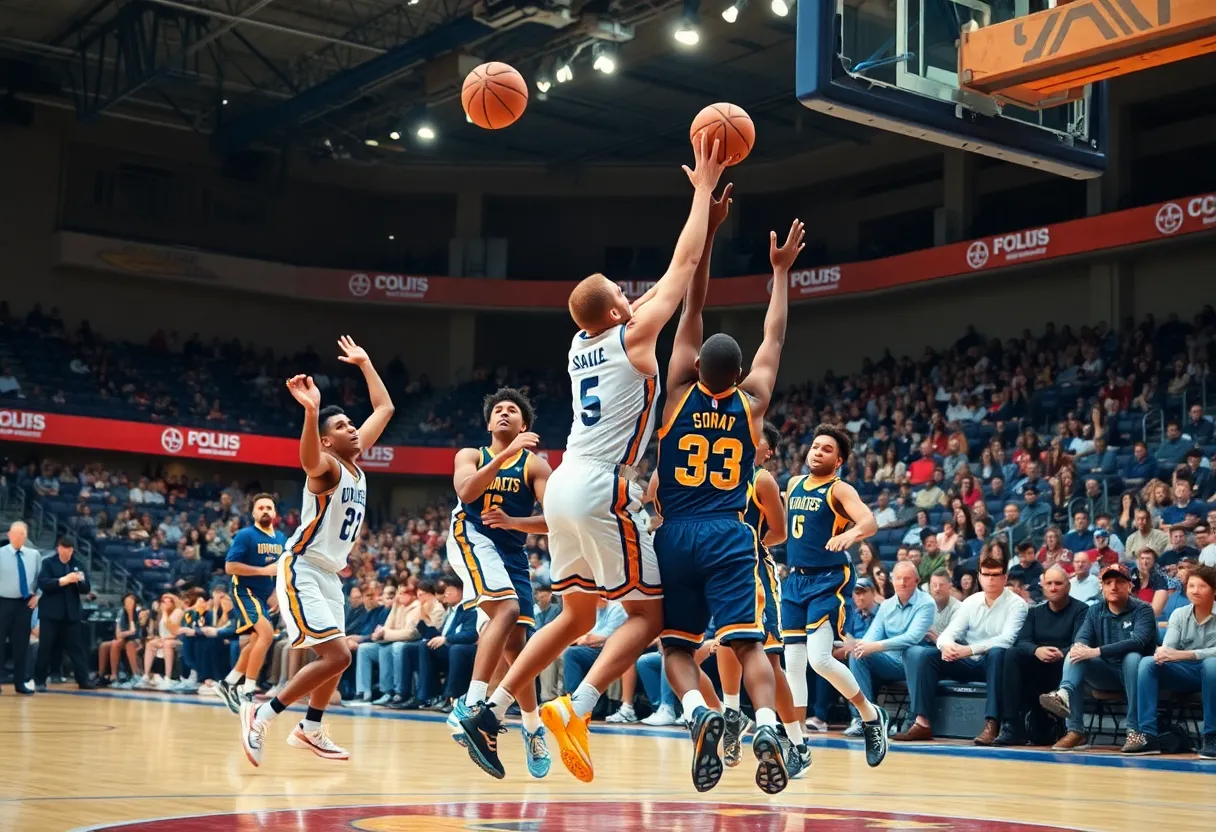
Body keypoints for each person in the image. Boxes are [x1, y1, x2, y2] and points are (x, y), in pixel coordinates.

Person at [459, 135, 727, 782]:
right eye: (623, 293)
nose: (635, 296)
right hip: (603, 485)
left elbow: (681, 274)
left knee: (576, 613)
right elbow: (683, 266)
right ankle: (573, 707)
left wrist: (709, 223)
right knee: (649, 616)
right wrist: (699, 193)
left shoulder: (583, 341)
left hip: (564, 485)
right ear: (615, 310)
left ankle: (490, 709)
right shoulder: (631, 334)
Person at [649, 189, 803, 794]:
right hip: (730, 536)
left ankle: (699, 713)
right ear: (738, 377)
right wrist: (780, 272)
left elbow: (694, 304)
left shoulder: (676, 394)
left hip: (675, 535)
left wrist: (709, 231)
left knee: (679, 650)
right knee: (749, 646)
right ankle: (766, 723)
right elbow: (775, 336)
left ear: (694, 369)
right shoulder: (754, 403)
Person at [239, 335, 393, 767]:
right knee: (339, 653)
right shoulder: (326, 468)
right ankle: (262, 715)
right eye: (342, 427)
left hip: (329, 573)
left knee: (336, 658)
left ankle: (310, 728)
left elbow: (384, 409)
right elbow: (307, 459)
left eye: (350, 425)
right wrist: (310, 413)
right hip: (302, 566)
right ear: (328, 441)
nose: (352, 429)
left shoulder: (355, 463)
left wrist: (364, 363)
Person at [445, 387, 552, 778]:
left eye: (513, 411)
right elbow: (466, 490)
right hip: (471, 536)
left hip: (513, 553)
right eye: (499, 411)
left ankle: (532, 727)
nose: (504, 414)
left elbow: (556, 519)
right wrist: (506, 454)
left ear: (525, 425)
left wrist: (515, 523)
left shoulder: (536, 466)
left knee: (518, 649)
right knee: (505, 610)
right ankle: (473, 706)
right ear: (489, 423)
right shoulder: (471, 455)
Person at [783, 425, 890, 766]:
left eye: (826, 449)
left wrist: (853, 534)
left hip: (828, 579)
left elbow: (869, 521)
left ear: (839, 460)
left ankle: (870, 714)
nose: (817, 452)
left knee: (820, 659)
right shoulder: (793, 484)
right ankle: (798, 746)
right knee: (794, 665)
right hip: (795, 581)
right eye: (815, 446)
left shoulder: (839, 489)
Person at [713, 422, 806, 775]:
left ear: (769, 450)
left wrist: (748, 546)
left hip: (755, 572)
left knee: (769, 661)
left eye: (757, 439)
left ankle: (797, 743)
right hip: (721, 571)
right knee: (727, 643)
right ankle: (732, 714)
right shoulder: (718, 472)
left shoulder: (761, 479)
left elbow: (779, 532)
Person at [896, 554, 1027, 743]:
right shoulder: (971, 602)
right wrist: (947, 646)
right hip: (967, 661)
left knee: (998, 652)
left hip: (996, 666)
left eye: (996, 575)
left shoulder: (1017, 605)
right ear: (979, 577)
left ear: (1005, 578)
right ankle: (921, 722)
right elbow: (949, 633)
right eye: (986, 574)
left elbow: (1007, 639)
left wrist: (968, 650)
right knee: (927, 655)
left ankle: (991, 724)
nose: (990, 579)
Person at [1038, 563, 1156, 751]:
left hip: (1137, 676)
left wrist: (1097, 651)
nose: (1113, 587)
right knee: (1076, 653)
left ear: (1130, 586)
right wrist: (1080, 647)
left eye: (1119, 582)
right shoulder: (1095, 610)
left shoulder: (1143, 610)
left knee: (1132, 657)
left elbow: (1139, 641)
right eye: (1108, 582)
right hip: (1106, 673)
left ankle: (1135, 729)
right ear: (1101, 586)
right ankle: (1070, 715)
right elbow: (1082, 638)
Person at [1126, 564, 1216, 758]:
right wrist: (1162, 653)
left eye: (1202, 586)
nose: (1195, 591)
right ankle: (1149, 736)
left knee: (1212, 665)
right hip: (1184, 672)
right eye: (1191, 586)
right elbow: (1169, 649)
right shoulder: (1179, 614)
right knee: (1148, 663)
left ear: (1214, 591)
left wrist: (1185, 655)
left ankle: (1211, 735)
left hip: (1211, 673)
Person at [993, 565, 1088, 746]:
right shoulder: (1035, 612)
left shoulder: (1081, 610)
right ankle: (1011, 726)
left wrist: (1062, 652)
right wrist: (1036, 650)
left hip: (1066, 668)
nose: (1053, 587)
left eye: (1058, 583)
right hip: (1038, 666)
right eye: (1049, 583)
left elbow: (1082, 641)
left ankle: (1063, 725)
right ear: (1043, 587)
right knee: (1012, 654)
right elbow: (1023, 641)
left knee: (1075, 656)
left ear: (1068, 586)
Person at [843, 562, 935, 737]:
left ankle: (911, 719)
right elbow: (872, 636)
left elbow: (912, 637)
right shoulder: (886, 605)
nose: (902, 583)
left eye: (907, 579)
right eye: (898, 579)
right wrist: (859, 644)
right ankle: (863, 718)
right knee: (858, 653)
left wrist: (875, 646)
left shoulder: (926, 603)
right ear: (892, 581)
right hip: (889, 662)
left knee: (912, 651)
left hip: (915, 665)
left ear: (916, 580)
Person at [217, 494, 285, 713]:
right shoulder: (245, 535)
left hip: (264, 595)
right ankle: (247, 689)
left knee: (256, 641)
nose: (265, 511)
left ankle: (229, 683)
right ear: (254, 513)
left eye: (269, 507)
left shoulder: (281, 538)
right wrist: (262, 571)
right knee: (266, 635)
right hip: (244, 591)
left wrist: (275, 590)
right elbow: (230, 567)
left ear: (274, 513)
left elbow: (279, 569)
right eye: (261, 507)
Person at [33, 538, 94, 690]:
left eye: (70, 549)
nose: (68, 552)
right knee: (45, 647)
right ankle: (39, 680)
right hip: (50, 613)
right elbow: (44, 583)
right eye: (65, 548)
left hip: (71, 614)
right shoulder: (48, 563)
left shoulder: (78, 564)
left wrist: (79, 581)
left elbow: (86, 588)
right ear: (58, 548)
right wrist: (63, 580)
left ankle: (83, 680)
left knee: (76, 648)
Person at [0, 521, 39, 694]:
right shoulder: (0, 553)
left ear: (26, 536)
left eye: (21, 534)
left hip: (25, 604)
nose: (18, 537)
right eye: (15, 534)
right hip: (3, 602)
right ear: (9, 535)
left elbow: (40, 578)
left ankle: (20, 682)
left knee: (21, 645)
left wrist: (37, 596)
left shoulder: (34, 555)